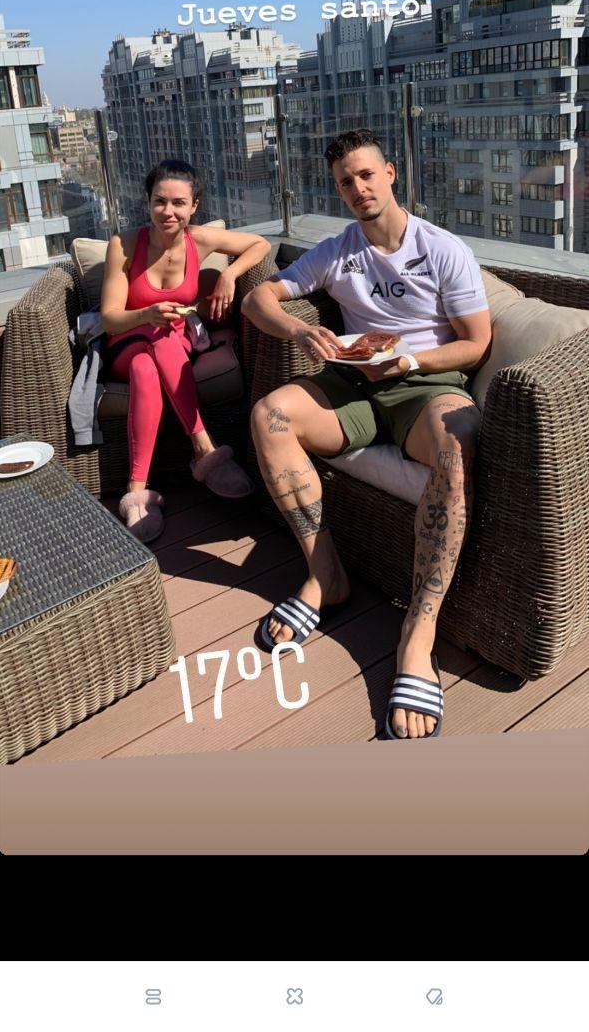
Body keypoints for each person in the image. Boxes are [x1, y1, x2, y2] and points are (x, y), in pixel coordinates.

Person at [242, 129, 491, 740]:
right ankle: (325, 574)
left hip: (424, 384)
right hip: (353, 384)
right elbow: (258, 298)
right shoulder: (337, 251)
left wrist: (409, 361)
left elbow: (476, 342)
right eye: (345, 182)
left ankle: (417, 635)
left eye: (366, 175)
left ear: (390, 174)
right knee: (270, 414)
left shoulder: (442, 249)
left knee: (458, 441)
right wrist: (299, 332)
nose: (357, 188)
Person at [100, 158, 270, 541]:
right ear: (148, 202)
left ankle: (136, 490)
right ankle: (204, 449)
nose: (168, 212)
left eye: (179, 203)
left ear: (194, 206)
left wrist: (229, 274)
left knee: (147, 367)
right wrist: (145, 314)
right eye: (160, 201)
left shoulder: (201, 239)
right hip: (126, 339)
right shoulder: (124, 245)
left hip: (173, 346)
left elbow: (260, 244)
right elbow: (110, 319)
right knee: (151, 343)